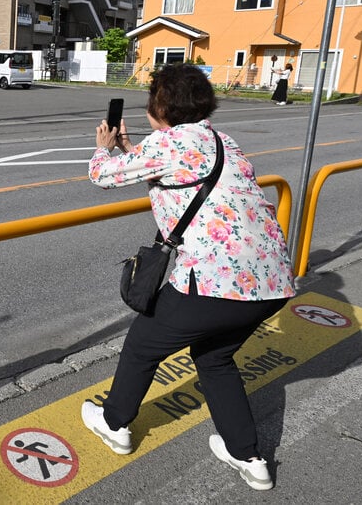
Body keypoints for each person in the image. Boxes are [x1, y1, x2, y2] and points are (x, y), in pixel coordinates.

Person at [83, 64, 296, 491]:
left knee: (142, 345)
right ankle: (248, 455)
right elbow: (180, 171)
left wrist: (106, 148)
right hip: (273, 282)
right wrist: (134, 150)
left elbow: (101, 177)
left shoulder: (166, 142)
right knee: (214, 357)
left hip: (217, 283)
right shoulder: (222, 139)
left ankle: (114, 424)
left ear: (158, 106)